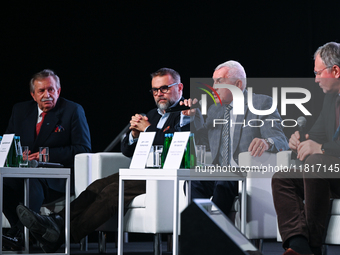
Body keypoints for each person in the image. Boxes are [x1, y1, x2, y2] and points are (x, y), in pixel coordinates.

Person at [16, 67, 204, 253]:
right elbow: (127, 151)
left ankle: (61, 236)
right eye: (155, 90)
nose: (158, 94)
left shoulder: (189, 112)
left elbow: (178, 149)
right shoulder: (152, 115)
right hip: (142, 171)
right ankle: (56, 221)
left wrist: (148, 130)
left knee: (113, 190)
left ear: (179, 88)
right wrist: (133, 135)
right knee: (97, 185)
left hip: (166, 177)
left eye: (164, 88)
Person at [182, 60, 289, 216]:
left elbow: (280, 139)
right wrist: (195, 117)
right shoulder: (214, 110)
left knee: (224, 181)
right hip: (217, 173)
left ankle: (217, 233)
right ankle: (202, 230)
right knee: (193, 182)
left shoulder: (261, 103)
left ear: (238, 85)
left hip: (243, 175)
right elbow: (203, 143)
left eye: (219, 81)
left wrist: (266, 142)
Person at [3, 69, 91, 250]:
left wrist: (47, 154)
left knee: (33, 181)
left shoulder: (72, 110)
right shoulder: (20, 110)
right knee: (2, 183)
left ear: (58, 91)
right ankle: (20, 231)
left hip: (56, 179)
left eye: (51, 90)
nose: (47, 95)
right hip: (22, 174)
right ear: (33, 95)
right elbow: (9, 143)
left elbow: (83, 148)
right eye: (41, 91)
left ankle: (18, 236)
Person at [272, 42, 340, 255]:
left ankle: (313, 247)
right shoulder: (331, 100)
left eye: (318, 73)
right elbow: (316, 135)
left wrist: (319, 148)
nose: (316, 79)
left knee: (316, 162)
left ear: (335, 71)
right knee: (282, 178)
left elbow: (320, 147)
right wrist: (300, 140)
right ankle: (299, 245)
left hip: (328, 167)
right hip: (329, 172)